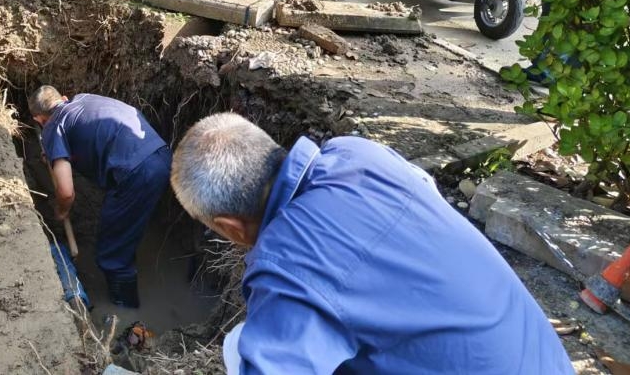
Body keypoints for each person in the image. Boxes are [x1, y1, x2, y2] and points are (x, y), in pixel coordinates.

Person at [171, 113, 574, 374]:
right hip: (547, 361)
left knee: (239, 347)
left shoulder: (288, 265)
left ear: (230, 228)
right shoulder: (358, 153)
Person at [29, 85, 171, 308]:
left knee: (112, 251)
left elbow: (66, 191)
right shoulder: (83, 99)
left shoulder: (52, 127)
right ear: (63, 98)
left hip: (136, 174)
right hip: (160, 153)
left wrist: (62, 209)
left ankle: (126, 309)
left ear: (39, 119)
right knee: (124, 224)